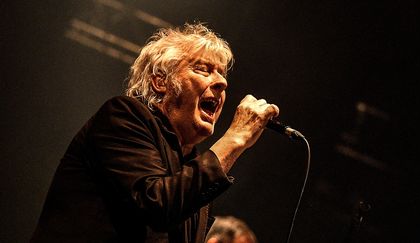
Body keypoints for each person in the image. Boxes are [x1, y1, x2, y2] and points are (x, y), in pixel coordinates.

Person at [31, 22, 279, 243]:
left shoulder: (191, 162)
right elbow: (157, 205)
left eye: (222, 74)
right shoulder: (123, 116)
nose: (222, 83)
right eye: (203, 69)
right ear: (161, 82)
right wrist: (234, 139)